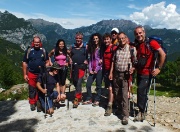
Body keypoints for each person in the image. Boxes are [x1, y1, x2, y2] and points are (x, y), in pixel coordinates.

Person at [133, 26, 166, 121]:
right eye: (136, 34)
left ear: (144, 32)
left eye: (140, 33)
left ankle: (141, 112)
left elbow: (163, 54)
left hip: (147, 73)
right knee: (143, 92)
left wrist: (159, 68)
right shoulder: (137, 44)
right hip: (139, 71)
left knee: (140, 91)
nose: (138, 35)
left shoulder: (151, 43)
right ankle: (143, 110)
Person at [109, 32, 137, 125]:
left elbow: (135, 62)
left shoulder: (131, 49)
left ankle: (125, 115)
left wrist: (133, 69)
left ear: (126, 38)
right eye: (119, 38)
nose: (121, 40)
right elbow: (113, 61)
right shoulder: (116, 49)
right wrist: (111, 72)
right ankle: (120, 109)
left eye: (123, 38)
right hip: (116, 74)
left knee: (125, 95)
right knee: (117, 93)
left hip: (126, 75)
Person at [22, 36, 49, 111]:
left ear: (40, 43)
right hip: (31, 73)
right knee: (32, 88)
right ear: (33, 43)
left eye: (38, 42)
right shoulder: (29, 51)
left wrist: (45, 68)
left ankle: (39, 102)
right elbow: (24, 63)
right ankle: (32, 103)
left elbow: (47, 61)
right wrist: (25, 74)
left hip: (41, 73)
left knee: (40, 88)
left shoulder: (43, 50)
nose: (37, 43)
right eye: (35, 42)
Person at [82, 33, 103, 107]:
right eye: (94, 39)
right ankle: (89, 98)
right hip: (92, 69)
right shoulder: (92, 48)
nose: (95, 40)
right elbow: (90, 60)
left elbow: (101, 61)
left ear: (99, 39)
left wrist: (96, 70)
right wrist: (90, 69)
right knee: (88, 84)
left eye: (96, 38)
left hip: (99, 69)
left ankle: (97, 99)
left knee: (98, 85)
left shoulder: (101, 49)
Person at [69, 32, 88, 108]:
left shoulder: (85, 47)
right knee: (75, 81)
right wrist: (69, 59)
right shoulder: (72, 47)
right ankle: (80, 95)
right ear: (75, 38)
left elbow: (88, 56)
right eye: (77, 38)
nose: (78, 39)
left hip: (81, 67)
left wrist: (87, 61)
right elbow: (69, 55)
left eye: (80, 38)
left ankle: (76, 98)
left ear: (82, 39)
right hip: (74, 67)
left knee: (79, 82)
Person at [102, 33, 117, 116]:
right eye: (105, 39)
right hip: (106, 70)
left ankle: (109, 106)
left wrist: (111, 72)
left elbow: (113, 61)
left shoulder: (113, 48)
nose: (106, 41)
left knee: (111, 88)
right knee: (109, 87)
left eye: (107, 39)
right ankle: (113, 102)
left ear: (111, 39)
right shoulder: (106, 48)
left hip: (112, 71)